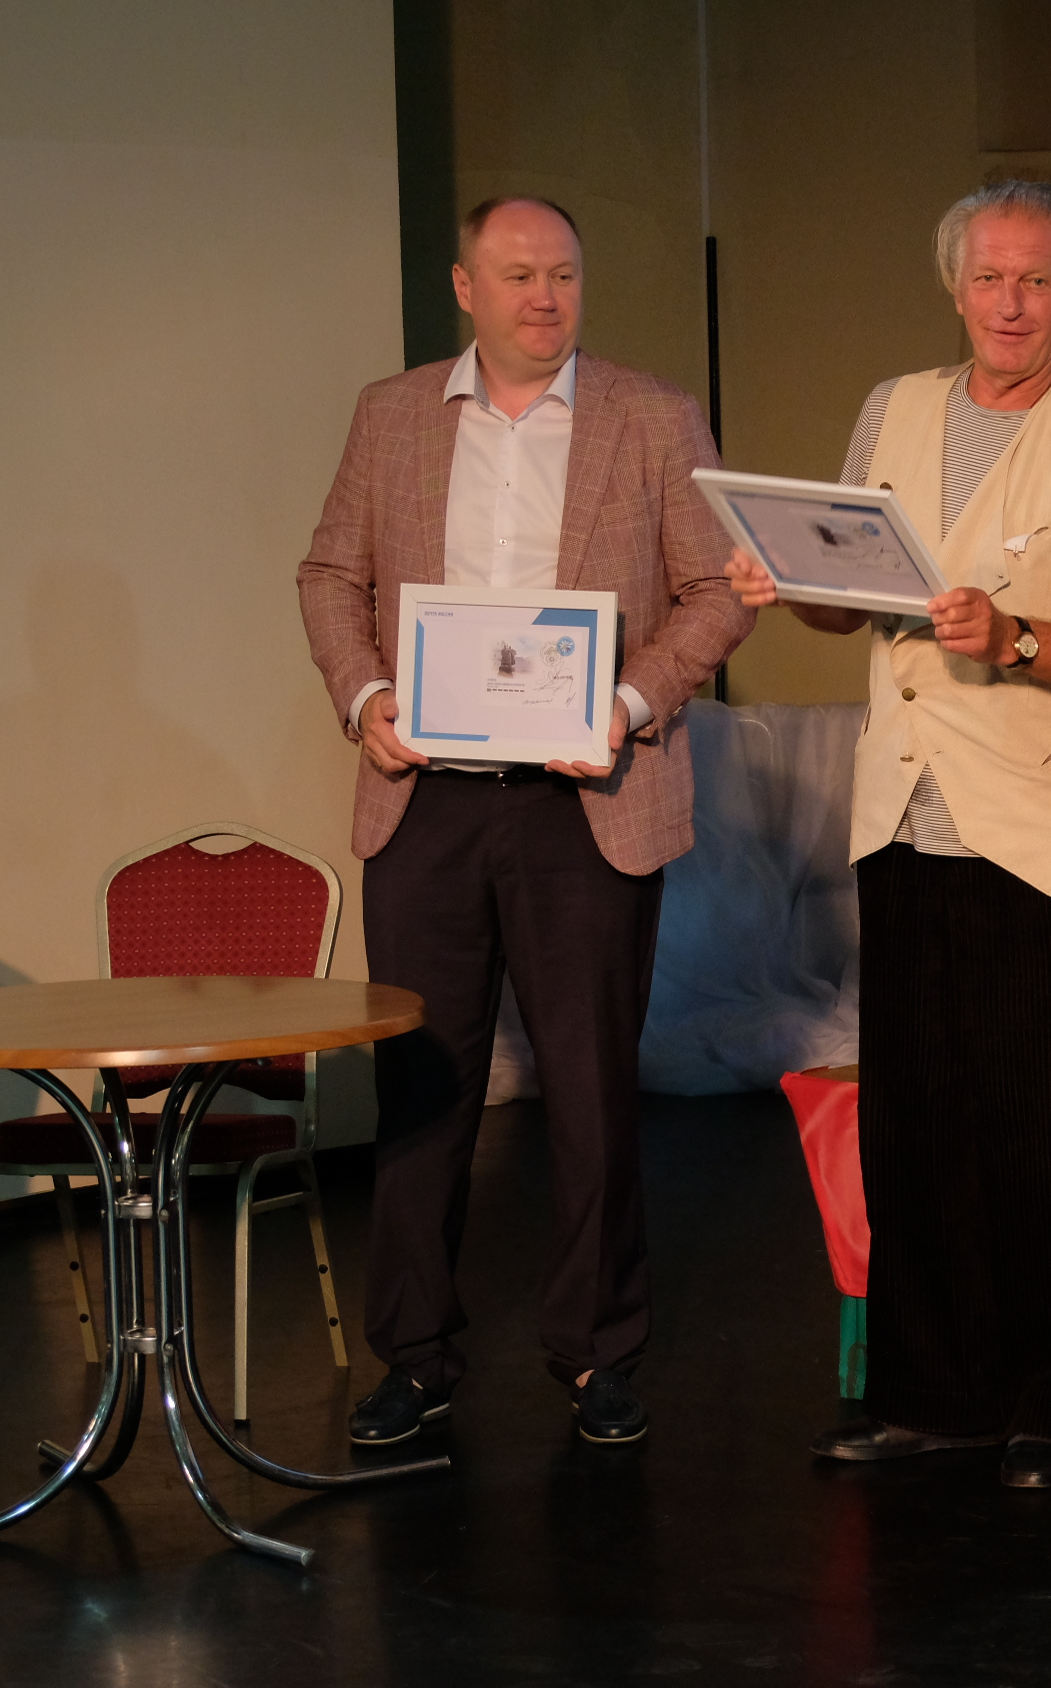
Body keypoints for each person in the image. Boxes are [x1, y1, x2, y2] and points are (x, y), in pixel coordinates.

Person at [731, 180, 1051, 1490]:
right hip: (907, 816)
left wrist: (1019, 637)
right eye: (989, 278)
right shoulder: (895, 407)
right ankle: (934, 1394)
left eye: (1037, 281)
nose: (1010, 304)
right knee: (921, 1128)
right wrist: (787, 580)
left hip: (1050, 829)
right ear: (955, 286)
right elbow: (849, 597)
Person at [297, 195, 754, 1447]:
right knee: (421, 1085)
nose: (544, 296)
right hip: (427, 800)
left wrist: (627, 703)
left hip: (583, 799)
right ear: (465, 286)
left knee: (592, 1088)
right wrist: (365, 695)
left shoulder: (650, 414)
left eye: (562, 273)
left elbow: (715, 590)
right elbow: (331, 572)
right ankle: (414, 1354)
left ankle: (599, 1354)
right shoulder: (392, 413)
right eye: (517, 275)